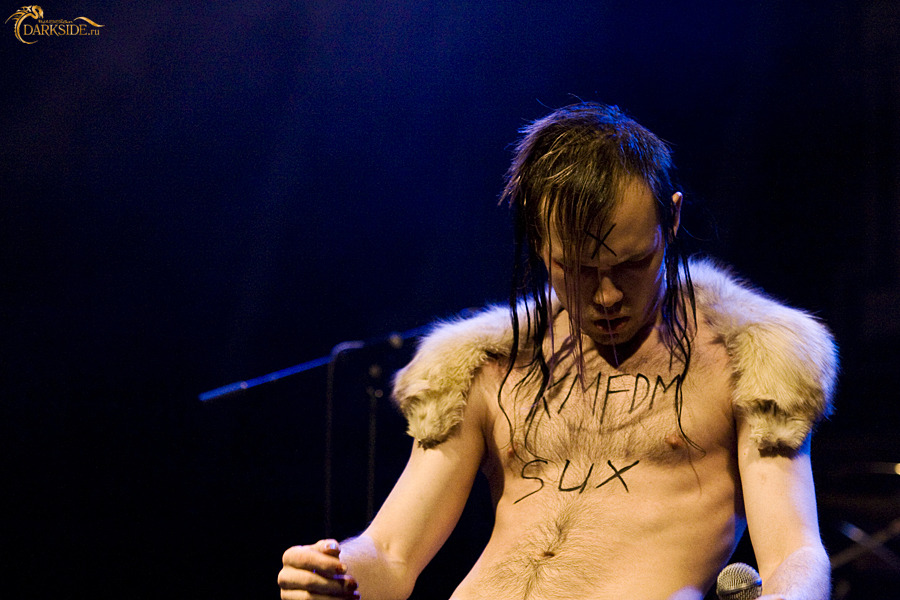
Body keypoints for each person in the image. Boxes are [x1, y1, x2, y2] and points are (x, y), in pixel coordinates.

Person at [278, 103, 838, 600]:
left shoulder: (751, 360)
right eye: (576, 269)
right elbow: (391, 554)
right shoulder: (484, 365)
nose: (607, 295)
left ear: (671, 218)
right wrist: (336, 573)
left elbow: (794, 553)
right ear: (537, 240)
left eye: (631, 264)